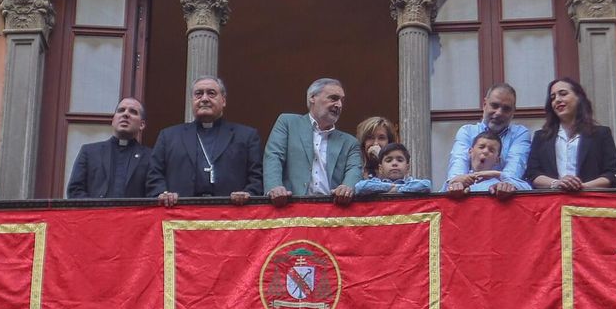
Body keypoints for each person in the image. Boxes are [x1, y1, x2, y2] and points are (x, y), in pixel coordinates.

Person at [146, 77, 263, 207]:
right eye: (198, 94)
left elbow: (257, 178)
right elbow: (154, 175)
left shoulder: (246, 136)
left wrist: (248, 194)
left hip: (229, 216)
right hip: (180, 216)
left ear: (223, 100)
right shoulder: (168, 136)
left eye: (211, 93)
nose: (204, 99)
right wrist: (163, 194)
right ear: (192, 100)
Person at [265, 77, 363, 206]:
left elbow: (354, 170)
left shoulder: (350, 142)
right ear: (312, 98)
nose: (339, 105)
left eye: (341, 100)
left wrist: (347, 187)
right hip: (291, 207)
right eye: (333, 98)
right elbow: (274, 156)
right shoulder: (288, 123)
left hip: (333, 211)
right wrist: (275, 187)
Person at [525, 76, 616, 191]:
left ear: (579, 98)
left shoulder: (601, 134)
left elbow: (612, 174)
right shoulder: (541, 137)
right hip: (552, 203)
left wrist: (582, 187)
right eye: (553, 97)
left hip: (590, 202)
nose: (557, 100)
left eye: (563, 94)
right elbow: (532, 174)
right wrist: (557, 183)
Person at [445, 83, 532, 187]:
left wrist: (505, 185)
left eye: (506, 109)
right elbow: (458, 165)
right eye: (494, 106)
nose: (499, 112)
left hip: (505, 199)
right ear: (484, 104)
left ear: (513, 111)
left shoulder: (519, 134)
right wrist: (457, 184)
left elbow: (515, 167)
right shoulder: (467, 132)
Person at [66, 97, 152, 199]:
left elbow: (153, 193)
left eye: (133, 112)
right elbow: (75, 190)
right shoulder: (89, 152)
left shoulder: (150, 156)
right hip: (96, 214)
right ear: (113, 120)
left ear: (142, 125)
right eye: (121, 110)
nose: (125, 114)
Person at [445, 129, 519, 195]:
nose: (485, 151)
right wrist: (452, 183)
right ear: (470, 152)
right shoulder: (459, 180)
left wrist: (499, 174)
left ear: (497, 160)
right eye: (481, 147)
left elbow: (528, 190)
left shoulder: (500, 184)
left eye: (491, 150)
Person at [354, 142, 432, 195]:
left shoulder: (410, 182)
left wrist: (397, 189)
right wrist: (389, 187)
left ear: (407, 168)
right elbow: (360, 187)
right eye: (389, 160)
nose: (394, 163)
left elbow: (426, 185)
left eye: (400, 160)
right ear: (380, 169)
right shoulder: (376, 182)